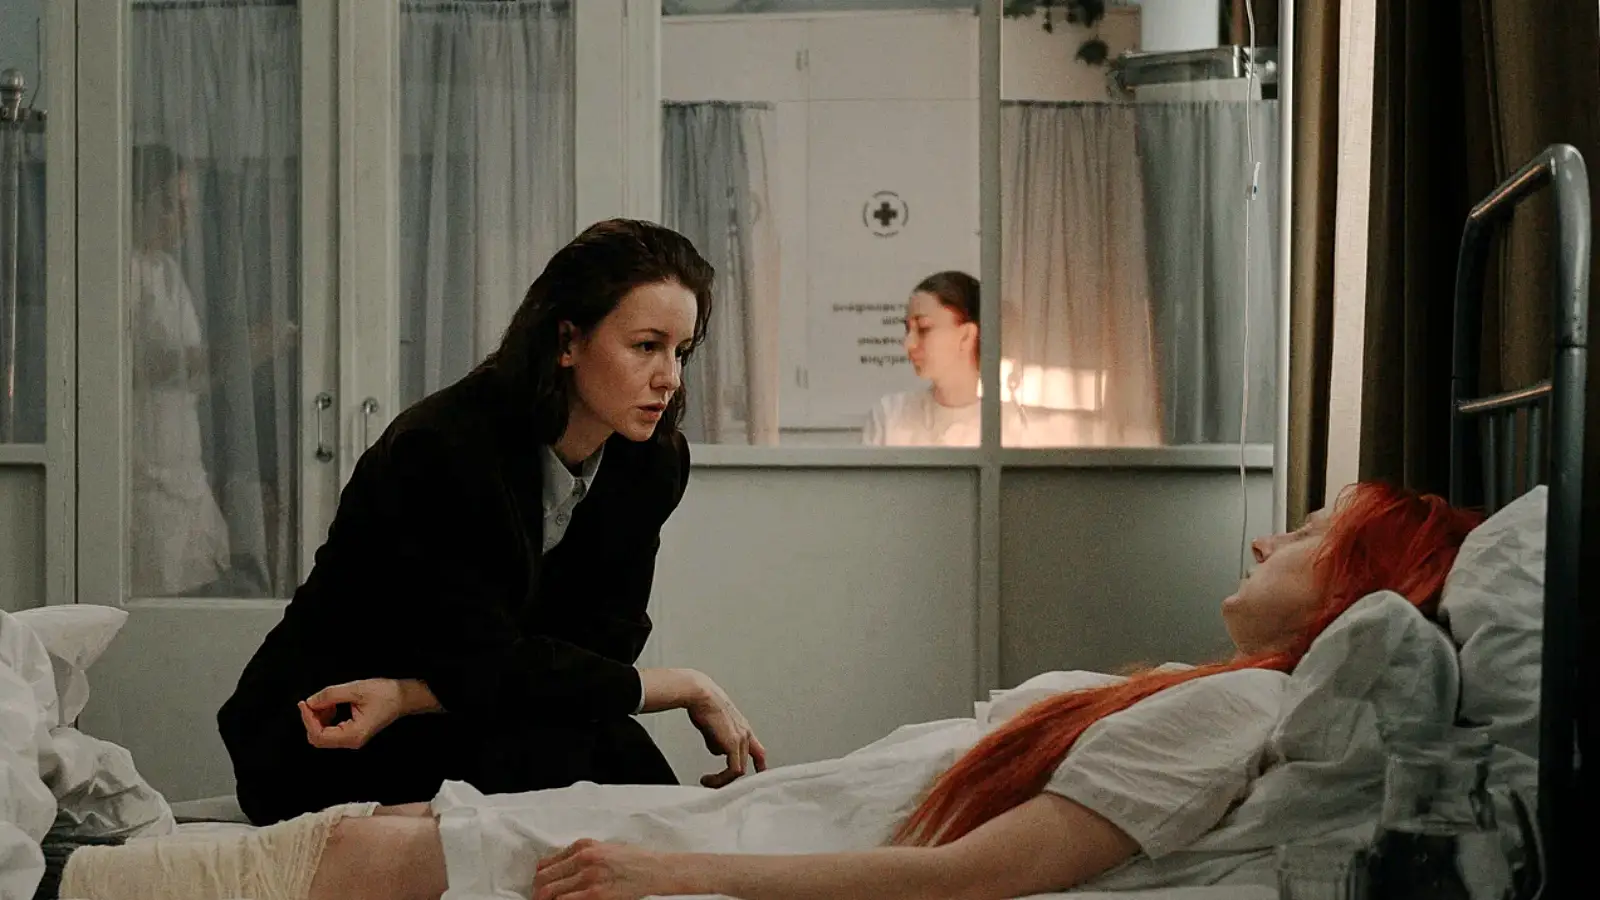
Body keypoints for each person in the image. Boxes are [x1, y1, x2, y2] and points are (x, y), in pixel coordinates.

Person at [66, 481, 1483, 900]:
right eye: (647, 347)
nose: (1266, 540)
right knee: (406, 835)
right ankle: (80, 870)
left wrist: (672, 872)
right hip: (787, 815)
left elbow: (973, 877)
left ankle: (68, 880)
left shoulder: (1235, 712)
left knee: (412, 850)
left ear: (1357, 586)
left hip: (770, 847)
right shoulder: (1205, 693)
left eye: (1307, 536)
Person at [216, 219, 766, 827]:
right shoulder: (443, 447)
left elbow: (604, 645)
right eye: (646, 346)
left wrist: (412, 696)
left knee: (644, 794)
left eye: (680, 351)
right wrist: (686, 686)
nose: (670, 378)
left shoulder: (652, 461)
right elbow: (480, 659)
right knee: (584, 778)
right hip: (334, 721)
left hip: (456, 702)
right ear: (567, 341)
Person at [127, 144, 232, 597]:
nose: (184, 220)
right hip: (146, 479)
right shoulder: (119, 271)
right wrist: (229, 349)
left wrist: (246, 355)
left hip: (184, 469)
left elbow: (190, 376)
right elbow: (137, 363)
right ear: (135, 204)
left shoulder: (168, 271)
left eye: (189, 206)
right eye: (171, 206)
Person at [862, 271, 1029, 447]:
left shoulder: (1014, 427)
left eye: (924, 328)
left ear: (966, 336)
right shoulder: (890, 417)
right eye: (907, 329)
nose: (908, 343)